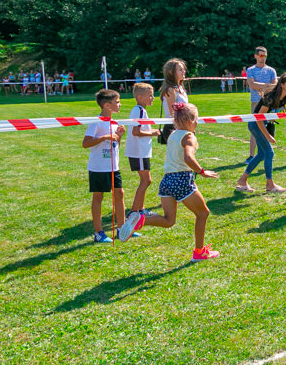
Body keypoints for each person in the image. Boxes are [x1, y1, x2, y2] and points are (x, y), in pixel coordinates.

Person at [118, 102, 220, 262]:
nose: (197, 122)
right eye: (196, 119)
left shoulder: (173, 134)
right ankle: (199, 252)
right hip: (181, 180)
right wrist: (202, 171)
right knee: (203, 213)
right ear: (190, 121)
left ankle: (142, 219)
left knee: (168, 220)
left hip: (166, 181)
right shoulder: (189, 136)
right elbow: (188, 157)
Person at [236, 73, 286, 193]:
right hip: (255, 124)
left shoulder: (284, 98)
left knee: (261, 155)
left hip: (263, 124)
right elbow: (259, 118)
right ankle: (270, 185)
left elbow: (270, 115)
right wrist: (267, 135)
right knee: (269, 152)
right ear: (282, 85)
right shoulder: (271, 97)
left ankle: (242, 181)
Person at [82, 89, 127, 243]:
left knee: (119, 193)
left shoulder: (114, 122)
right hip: (98, 167)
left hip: (113, 166)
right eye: (117, 102)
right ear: (107, 105)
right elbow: (85, 143)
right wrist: (104, 137)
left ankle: (122, 229)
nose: (120, 104)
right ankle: (99, 232)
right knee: (98, 196)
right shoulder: (96, 121)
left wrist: (119, 136)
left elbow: (115, 145)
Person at [125, 83, 161, 224]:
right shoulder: (138, 110)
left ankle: (140, 209)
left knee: (145, 180)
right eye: (150, 95)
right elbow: (136, 131)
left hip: (141, 152)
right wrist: (154, 132)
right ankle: (134, 211)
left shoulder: (141, 110)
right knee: (146, 180)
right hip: (138, 152)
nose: (153, 98)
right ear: (139, 97)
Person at [245, 46, 278, 163]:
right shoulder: (250, 70)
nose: (263, 58)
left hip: (269, 103)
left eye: (265, 56)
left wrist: (263, 86)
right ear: (255, 56)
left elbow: (275, 85)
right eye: (260, 55)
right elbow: (252, 85)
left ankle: (268, 154)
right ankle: (251, 155)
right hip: (256, 102)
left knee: (269, 127)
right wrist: (268, 85)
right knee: (254, 128)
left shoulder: (271, 70)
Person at [160, 59, 189, 131]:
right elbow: (172, 113)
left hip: (182, 126)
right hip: (174, 128)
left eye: (183, 69)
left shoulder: (180, 87)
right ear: (170, 72)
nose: (183, 71)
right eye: (180, 70)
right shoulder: (170, 90)